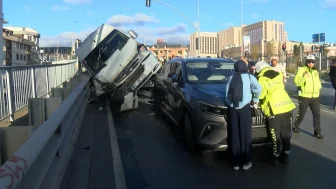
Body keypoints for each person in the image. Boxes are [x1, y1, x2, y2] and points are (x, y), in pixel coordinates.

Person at [254, 61, 296, 165]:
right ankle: (287, 150)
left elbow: (262, 95)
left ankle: (275, 154)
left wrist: (255, 100)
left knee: (275, 135)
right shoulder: (278, 74)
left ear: (259, 69)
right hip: (286, 106)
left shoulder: (262, 78)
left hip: (274, 109)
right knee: (285, 132)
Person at [225, 60, 262, 171]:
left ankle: (236, 163)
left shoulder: (231, 78)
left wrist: (231, 104)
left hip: (232, 109)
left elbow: (227, 94)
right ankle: (246, 161)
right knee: (245, 134)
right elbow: (259, 89)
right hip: (245, 108)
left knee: (234, 134)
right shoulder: (250, 78)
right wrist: (255, 100)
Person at [293, 55, 324, 139]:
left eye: (312, 62)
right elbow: (296, 82)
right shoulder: (302, 70)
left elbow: (317, 82)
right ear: (306, 62)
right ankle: (296, 126)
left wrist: (319, 88)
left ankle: (317, 132)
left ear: (314, 62)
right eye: (309, 62)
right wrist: (303, 77)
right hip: (304, 96)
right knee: (302, 113)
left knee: (317, 114)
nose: (311, 63)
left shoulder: (315, 71)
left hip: (315, 96)